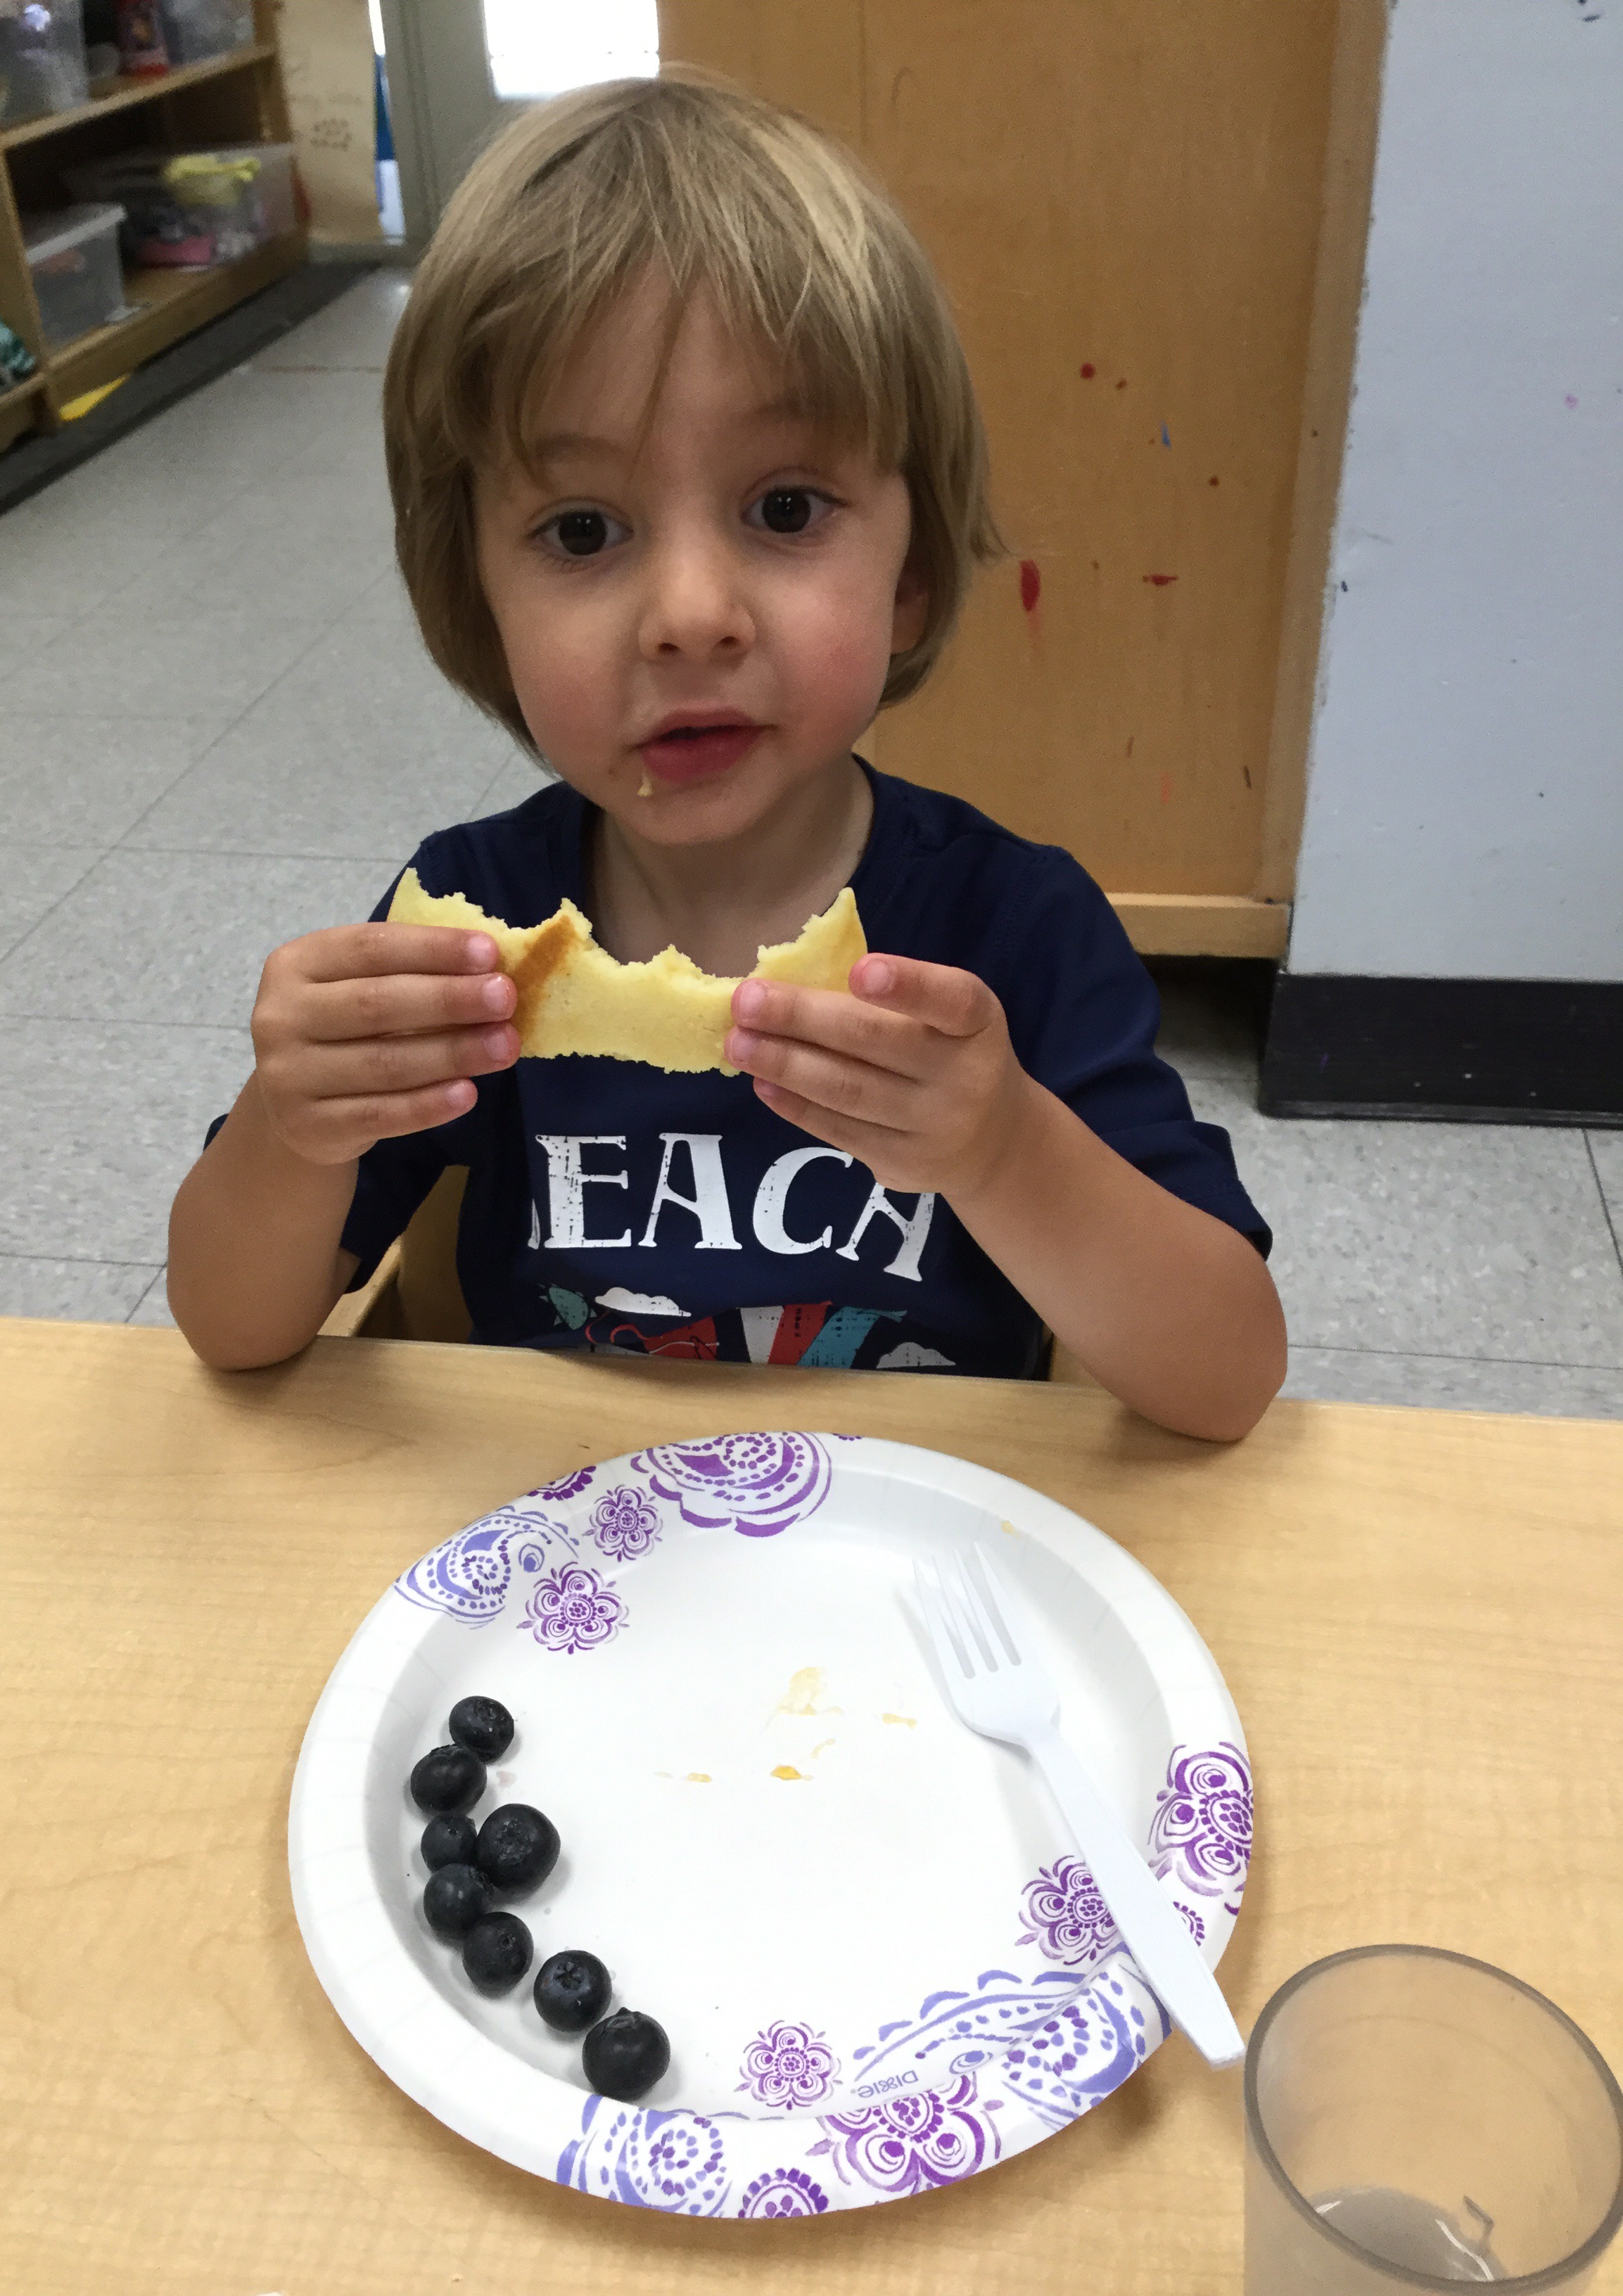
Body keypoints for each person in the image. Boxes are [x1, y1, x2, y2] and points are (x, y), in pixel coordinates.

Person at [168, 68, 1285, 1439]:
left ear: (911, 578)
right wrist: (290, 1129)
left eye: (786, 507)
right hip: (576, 1542)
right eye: (583, 531)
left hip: (919, 1544)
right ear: (479, 601)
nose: (691, 614)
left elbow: (1225, 1379)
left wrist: (1005, 1150)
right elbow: (233, 1329)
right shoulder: (472, 928)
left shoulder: (1013, 928)